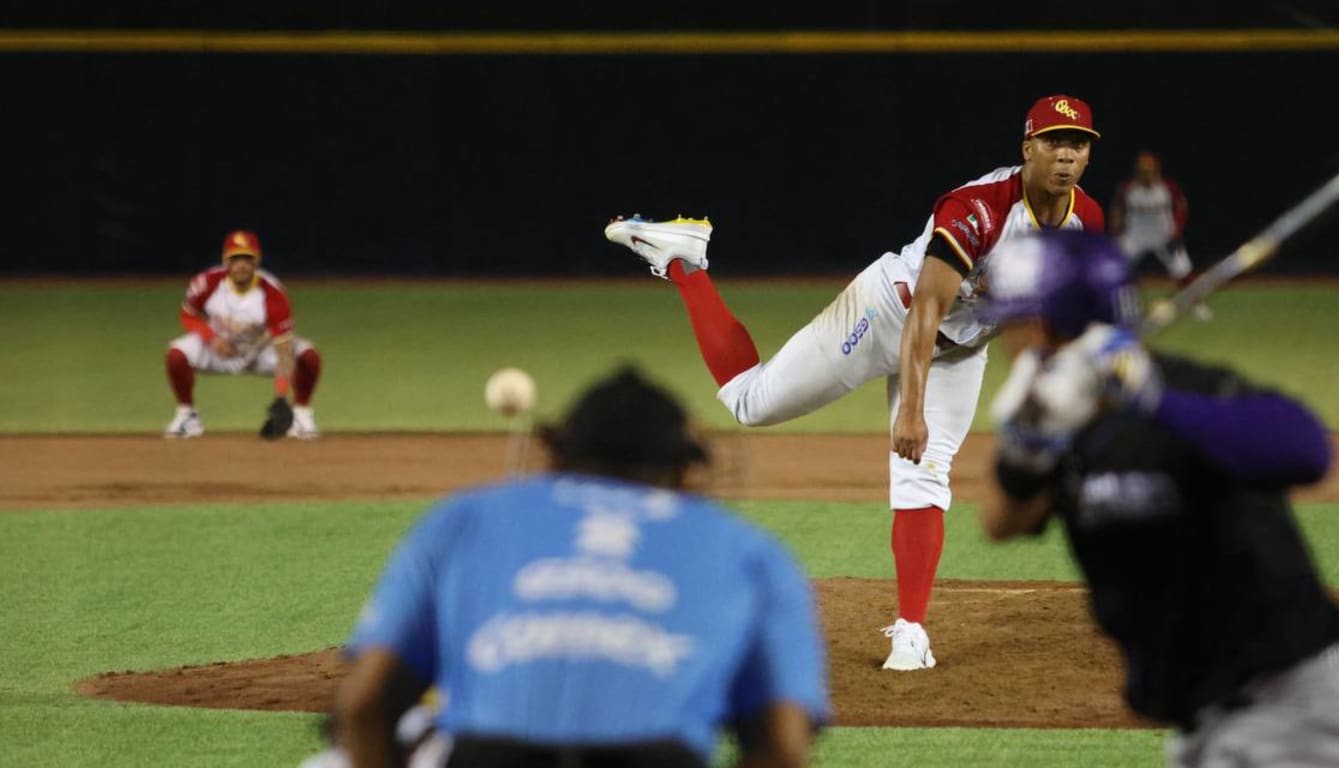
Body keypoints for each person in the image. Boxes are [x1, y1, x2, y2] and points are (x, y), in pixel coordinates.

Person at [604, 94, 1105, 671]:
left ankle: (911, 631)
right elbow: (925, 311)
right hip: (888, 315)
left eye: (1078, 143)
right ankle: (684, 262)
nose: (1065, 154)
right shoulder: (978, 210)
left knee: (926, 475)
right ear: (1028, 149)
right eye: (1053, 141)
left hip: (963, 347)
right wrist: (910, 409)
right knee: (751, 402)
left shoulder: (1085, 220)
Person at [977, 230, 1339, 766]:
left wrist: (1154, 400)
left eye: (1015, 320)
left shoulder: (1181, 391)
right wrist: (1025, 451)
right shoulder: (1061, 418)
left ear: (1058, 322)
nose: (1008, 340)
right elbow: (1000, 520)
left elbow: (1308, 451)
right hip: (1202, 727)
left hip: (1301, 713)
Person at [324, 367, 828, 768]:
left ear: (558, 458)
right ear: (681, 469)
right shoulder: (749, 551)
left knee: (345, 756)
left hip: (489, 756)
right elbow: (783, 749)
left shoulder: (467, 517)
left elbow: (363, 705)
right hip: (658, 759)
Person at [163, 230, 322, 438]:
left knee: (308, 356)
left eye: (247, 258)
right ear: (225, 260)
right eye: (235, 258)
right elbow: (188, 315)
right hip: (219, 350)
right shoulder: (207, 283)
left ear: (257, 261)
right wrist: (211, 338)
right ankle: (187, 415)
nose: (241, 265)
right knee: (176, 354)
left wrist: (281, 397)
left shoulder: (272, 292)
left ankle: (300, 413)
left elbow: (283, 347)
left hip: (262, 350)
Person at [1110, 151, 1196, 286]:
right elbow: (1117, 208)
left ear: (1157, 170)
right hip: (1135, 235)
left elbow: (1181, 206)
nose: (1146, 174)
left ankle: (1196, 305)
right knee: (1114, 265)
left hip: (1163, 235)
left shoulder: (1168, 187)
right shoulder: (1127, 188)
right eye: (1142, 171)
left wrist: (1177, 230)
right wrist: (1116, 231)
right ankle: (1113, 301)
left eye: (1149, 170)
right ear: (1137, 171)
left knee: (1183, 269)